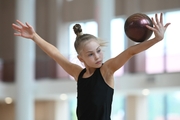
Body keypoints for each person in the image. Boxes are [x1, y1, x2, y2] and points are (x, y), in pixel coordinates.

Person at [12, 13, 170, 120]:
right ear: (81, 58)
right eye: (90, 54)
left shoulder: (106, 70)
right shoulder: (78, 74)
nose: (97, 56)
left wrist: (156, 40)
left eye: (99, 51)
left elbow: (130, 52)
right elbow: (55, 54)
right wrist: (34, 36)